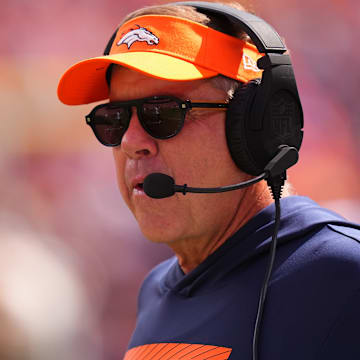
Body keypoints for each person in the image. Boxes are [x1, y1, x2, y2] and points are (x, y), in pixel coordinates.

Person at [57, 1, 360, 359]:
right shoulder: (155, 291)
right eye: (114, 119)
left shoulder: (343, 276)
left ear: (255, 126)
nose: (131, 142)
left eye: (163, 113)